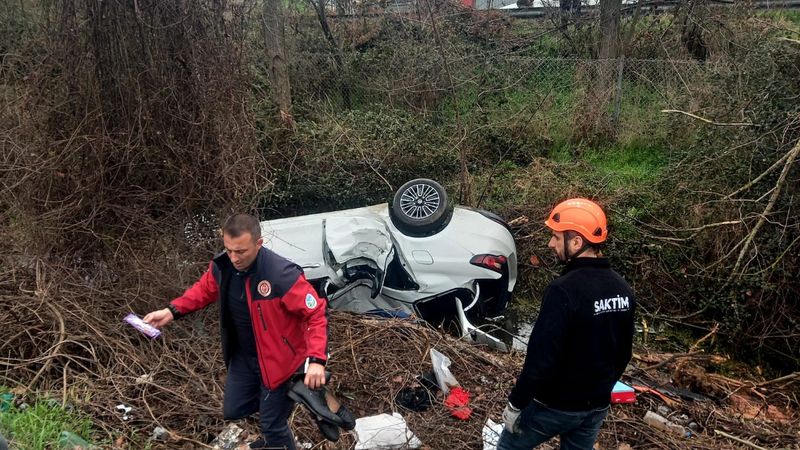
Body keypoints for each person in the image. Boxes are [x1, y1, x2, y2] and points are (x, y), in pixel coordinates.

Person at [143, 214, 328, 450]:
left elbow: (316, 313)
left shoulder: (282, 275)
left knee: (272, 424)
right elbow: (203, 291)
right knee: (234, 409)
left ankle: (277, 433)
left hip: (279, 361)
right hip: (244, 355)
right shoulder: (222, 267)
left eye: (241, 251)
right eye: (229, 250)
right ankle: (274, 428)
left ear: (258, 244)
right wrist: (171, 311)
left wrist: (316, 361)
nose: (234, 257)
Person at [497, 198, 636, 450]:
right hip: (596, 407)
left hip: (554, 406)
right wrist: (600, 390)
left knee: (508, 447)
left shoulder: (563, 290)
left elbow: (541, 358)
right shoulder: (623, 289)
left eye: (555, 237)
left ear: (576, 242)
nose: (550, 243)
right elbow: (624, 353)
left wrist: (516, 404)